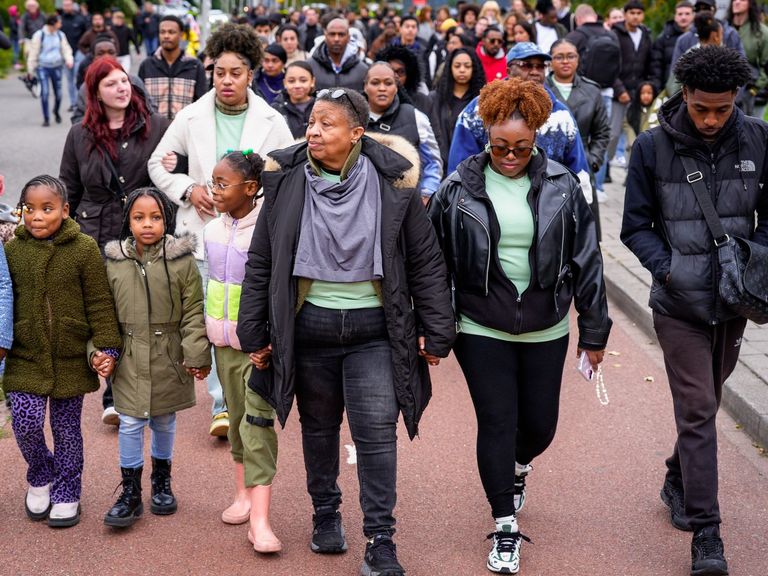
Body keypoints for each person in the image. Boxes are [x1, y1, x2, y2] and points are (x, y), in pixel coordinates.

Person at [237, 87, 455, 576]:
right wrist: (254, 330)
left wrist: (437, 327)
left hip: (375, 332)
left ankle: (380, 540)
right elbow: (263, 259)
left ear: (357, 133)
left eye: (327, 124)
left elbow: (425, 260)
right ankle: (325, 514)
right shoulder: (286, 179)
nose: (313, 131)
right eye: (311, 122)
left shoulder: (393, 182)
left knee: (376, 433)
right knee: (318, 428)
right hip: (307, 328)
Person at [428, 76, 610, 575]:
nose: (510, 156)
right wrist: (434, 325)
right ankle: (504, 522)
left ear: (536, 137)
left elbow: (588, 260)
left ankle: (517, 467)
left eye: (521, 148)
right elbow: (433, 262)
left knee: (539, 427)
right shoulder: (457, 188)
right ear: (486, 135)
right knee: (497, 421)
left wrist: (594, 331)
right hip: (480, 324)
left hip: (546, 325)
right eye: (500, 147)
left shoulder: (563, 186)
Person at [621, 45, 768, 576]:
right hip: (678, 304)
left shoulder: (758, 138)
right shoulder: (651, 146)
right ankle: (707, 534)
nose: (710, 119)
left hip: (733, 300)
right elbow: (634, 226)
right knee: (700, 407)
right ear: (684, 94)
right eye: (701, 108)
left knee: (707, 398)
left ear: (737, 98)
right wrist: (669, 270)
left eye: (722, 109)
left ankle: (677, 476)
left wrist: (755, 262)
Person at [147, 23, 294, 436]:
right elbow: (157, 162)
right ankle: (221, 404)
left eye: (236, 73)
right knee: (214, 314)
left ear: (251, 75)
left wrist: (260, 201)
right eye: (219, 72)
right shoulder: (191, 115)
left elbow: (289, 172)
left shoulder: (272, 120)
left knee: (247, 312)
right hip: (204, 232)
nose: (226, 80)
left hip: (253, 236)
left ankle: (251, 393)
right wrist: (189, 188)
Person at [4, 175, 122, 528]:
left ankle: (68, 489)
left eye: (47, 209)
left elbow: (99, 301)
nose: (37, 216)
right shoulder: (14, 250)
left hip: (69, 355)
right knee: (25, 421)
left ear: (66, 210)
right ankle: (41, 473)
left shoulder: (83, 248)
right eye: (29, 209)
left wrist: (107, 346)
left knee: (67, 428)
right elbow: (6, 297)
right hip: (26, 353)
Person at [103, 187, 210, 528]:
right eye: (139, 217)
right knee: (130, 421)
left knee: (163, 420)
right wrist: (99, 352)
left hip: (168, 356)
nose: (147, 224)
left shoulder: (181, 261)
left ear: (167, 219)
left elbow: (193, 309)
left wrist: (196, 353)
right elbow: (102, 315)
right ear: (128, 221)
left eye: (155, 217)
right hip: (130, 356)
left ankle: (161, 481)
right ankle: (130, 490)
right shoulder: (115, 263)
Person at [203, 151, 281, 551]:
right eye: (213, 182)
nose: (214, 191)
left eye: (222, 184)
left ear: (250, 188)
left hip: (257, 349)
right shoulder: (210, 231)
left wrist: (269, 340)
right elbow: (207, 286)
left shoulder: (267, 229)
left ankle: (260, 521)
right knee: (235, 420)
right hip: (223, 346)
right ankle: (242, 495)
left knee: (258, 424)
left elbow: (276, 290)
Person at [448, 42, 594, 205]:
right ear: (508, 70)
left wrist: (580, 207)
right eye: (526, 65)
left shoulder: (561, 115)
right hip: (488, 204)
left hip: (548, 207)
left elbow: (578, 169)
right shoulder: (479, 110)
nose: (535, 71)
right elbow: (461, 165)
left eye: (540, 66)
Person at [546, 38, 610, 212]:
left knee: (583, 218)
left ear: (578, 59)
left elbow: (602, 131)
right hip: (549, 165)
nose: (565, 61)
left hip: (583, 163)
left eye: (570, 56)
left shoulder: (592, 90)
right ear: (550, 61)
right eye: (559, 57)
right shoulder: (540, 89)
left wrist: (593, 160)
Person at [364, 62, 443, 200]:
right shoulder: (352, 118)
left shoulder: (415, 117)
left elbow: (433, 163)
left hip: (407, 203)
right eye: (375, 83)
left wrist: (426, 194)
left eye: (388, 83)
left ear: (396, 87)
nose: (382, 88)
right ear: (365, 86)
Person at [138, 15, 207, 120]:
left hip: (185, 128)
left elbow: (201, 103)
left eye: (171, 32)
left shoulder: (195, 66)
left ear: (181, 35)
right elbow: (140, 102)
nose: (166, 36)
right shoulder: (146, 65)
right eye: (162, 32)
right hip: (155, 128)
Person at [429, 47, 486, 170]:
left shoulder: (480, 101)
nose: (462, 70)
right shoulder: (435, 99)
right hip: (440, 165)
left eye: (467, 66)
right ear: (450, 68)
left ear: (474, 69)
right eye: (457, 66)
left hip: (472, 167)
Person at [26, 14, 74, 127]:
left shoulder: (60, 35)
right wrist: (30, 70)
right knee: (45, 93)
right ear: (53, 23)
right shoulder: (39, 35)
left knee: (58, 94)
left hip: (57, 66)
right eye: (59, 22)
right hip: (43, 67)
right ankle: (46, 118)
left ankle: (56, 111)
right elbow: (33, 53)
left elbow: (66, 49)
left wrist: (69, 60)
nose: (61, 24)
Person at [727, 0, 768, 116]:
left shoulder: (761, 32)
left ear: (750, 3)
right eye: (734, 0)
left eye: (742, 0)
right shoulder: (722, 29)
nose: (737, 2)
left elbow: (767, 65)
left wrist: (755, 89)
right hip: (724, 91)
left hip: (753, 93)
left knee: (752, 126)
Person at [308, 17, 369, 92]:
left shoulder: (362, 70)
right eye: (332, 34)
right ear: (325, 36)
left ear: (348, 37)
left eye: (341, 34)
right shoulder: (310, 67)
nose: (336, 39)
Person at [650, 1, 694, 93]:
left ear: (693, 15)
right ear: (675, 16)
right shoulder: (663, 38)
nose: (683, 17)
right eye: (680, 14)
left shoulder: (699, 36)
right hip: (669, 89)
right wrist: (657, 89)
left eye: (687, 14)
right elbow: (656, 67)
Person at [271, 61, 316, 138]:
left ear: (312, 81)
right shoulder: (275, 109)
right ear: (285, 83)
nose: (297, 85)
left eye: (303, 80)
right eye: (291, 81)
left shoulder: (321, 106)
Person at [59, 0, 88, 111]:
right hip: (66, 54)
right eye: (65, 5)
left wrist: (85, 50)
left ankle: (80, 103)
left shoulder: (80, 19)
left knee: (78, 78)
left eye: (69, 5)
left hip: (79, 53)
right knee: (69, 80)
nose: (67, 7)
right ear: (63, 6)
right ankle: (73, 103)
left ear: (72, 6)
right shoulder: (60, 20)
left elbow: (87, 34)